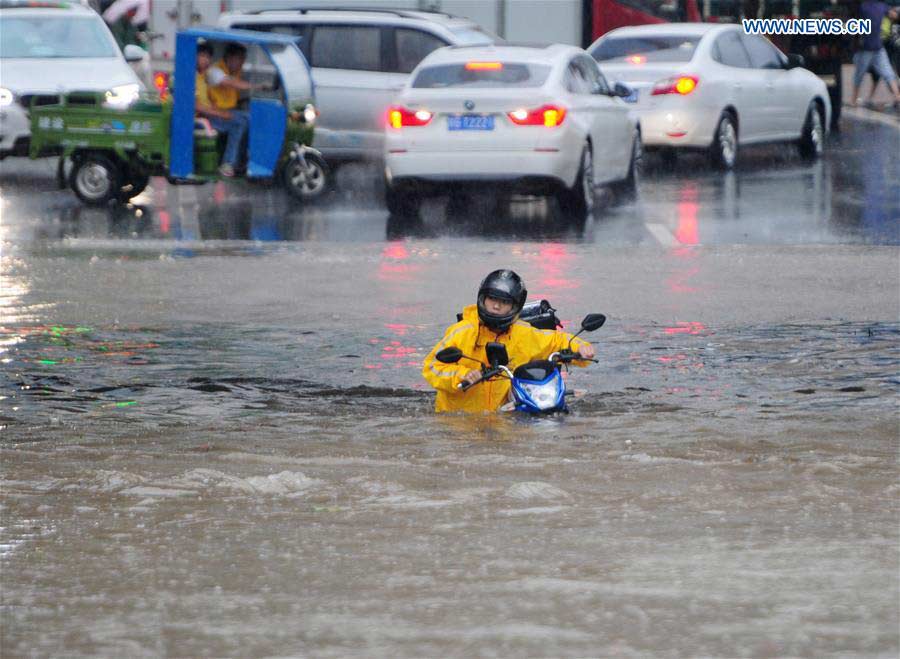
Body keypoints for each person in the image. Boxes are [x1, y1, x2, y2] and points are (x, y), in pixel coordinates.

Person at [422, 269, 597, 413]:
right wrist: (462, 375)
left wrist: (580, 347)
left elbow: (557, 340)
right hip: (457, 420)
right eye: (492, 299)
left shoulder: (524, 333)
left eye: (504, 302)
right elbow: (432, 367)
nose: (496, 306)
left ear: (515, 306)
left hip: (505, 416)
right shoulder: (462, 332)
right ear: (483, 299)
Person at [195, 42, 248, 177]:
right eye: (202, 56)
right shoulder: (192, 77)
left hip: (208, 115)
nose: (205, 60)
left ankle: (240, 161)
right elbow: (198, 106)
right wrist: (221, 113)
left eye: (208, 57)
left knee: (245, 118)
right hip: (199, 119)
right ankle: (228, 163)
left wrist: (217, 109)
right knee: (239, 122)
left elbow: (208, 99)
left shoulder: (203, 75)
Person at [850, 1, 900, 110]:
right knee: (888, 73)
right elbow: (894, 15)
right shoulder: (881, 6)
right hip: (876, 46)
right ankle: (897, 97)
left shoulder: (862, 6)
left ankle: (853, 100)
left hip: (867, 47)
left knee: (859, 74)